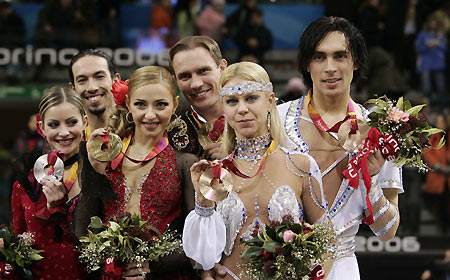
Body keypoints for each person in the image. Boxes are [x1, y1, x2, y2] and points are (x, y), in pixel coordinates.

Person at [277, 16, 403, 279]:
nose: (330, 67)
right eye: (319, 57)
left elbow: (387, 231)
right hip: (280, 267)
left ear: (355, 62)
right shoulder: (275, 121)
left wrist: (372, 182)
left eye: (340, 56)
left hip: (343, 269)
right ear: (307, 64)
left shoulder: (379, 131)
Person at [183, 62, 328, 280]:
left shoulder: (301, 165)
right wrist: (203, 204)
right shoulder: (216, 173)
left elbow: (328, 242)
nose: (242, 109)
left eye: (251, 98)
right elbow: (199, 260)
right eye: (232, 101)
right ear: (224, 108)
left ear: (270, 101)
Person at [75, 66, 198, 279]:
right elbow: (82, 232)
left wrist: (151, 263)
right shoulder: (105, 156)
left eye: (161, 104)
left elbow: (196, 239)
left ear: (175, 105)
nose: (150, 115)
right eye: (141, 104)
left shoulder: (185, 163)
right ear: (128, 104)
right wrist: (93, 171)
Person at [11, 86, 88, 279]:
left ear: (85, 122)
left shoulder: (100, 174)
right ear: (41, 127)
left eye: (72, 122)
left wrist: (60, 209)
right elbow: (17, 241)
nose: (64, 132)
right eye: (54, 125)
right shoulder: (25, 182)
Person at [168, 36, 227, 160]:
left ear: (222, 68)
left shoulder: (265, 117)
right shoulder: (169, 136)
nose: (196, 84)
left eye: (203, 71)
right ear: (176, 82)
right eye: (185, 76)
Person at [69, 49, 121, 139]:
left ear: (116, 80)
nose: (92, 88)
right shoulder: (72, 142)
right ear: (73, 88)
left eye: (100, 77)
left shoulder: (139, 133)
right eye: (82, 80)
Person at [415, 13, 448, 112]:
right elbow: (418, 48)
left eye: (435, 23)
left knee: (441, 88)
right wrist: (427, 46)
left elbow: (446, 48)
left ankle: (443, 109)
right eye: (431, 23)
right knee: (426, 88)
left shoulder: (440, 35)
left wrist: (438, 44)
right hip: (426, 64)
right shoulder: (423, 34)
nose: (433, 25)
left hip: (438, 64)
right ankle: (426, 110)